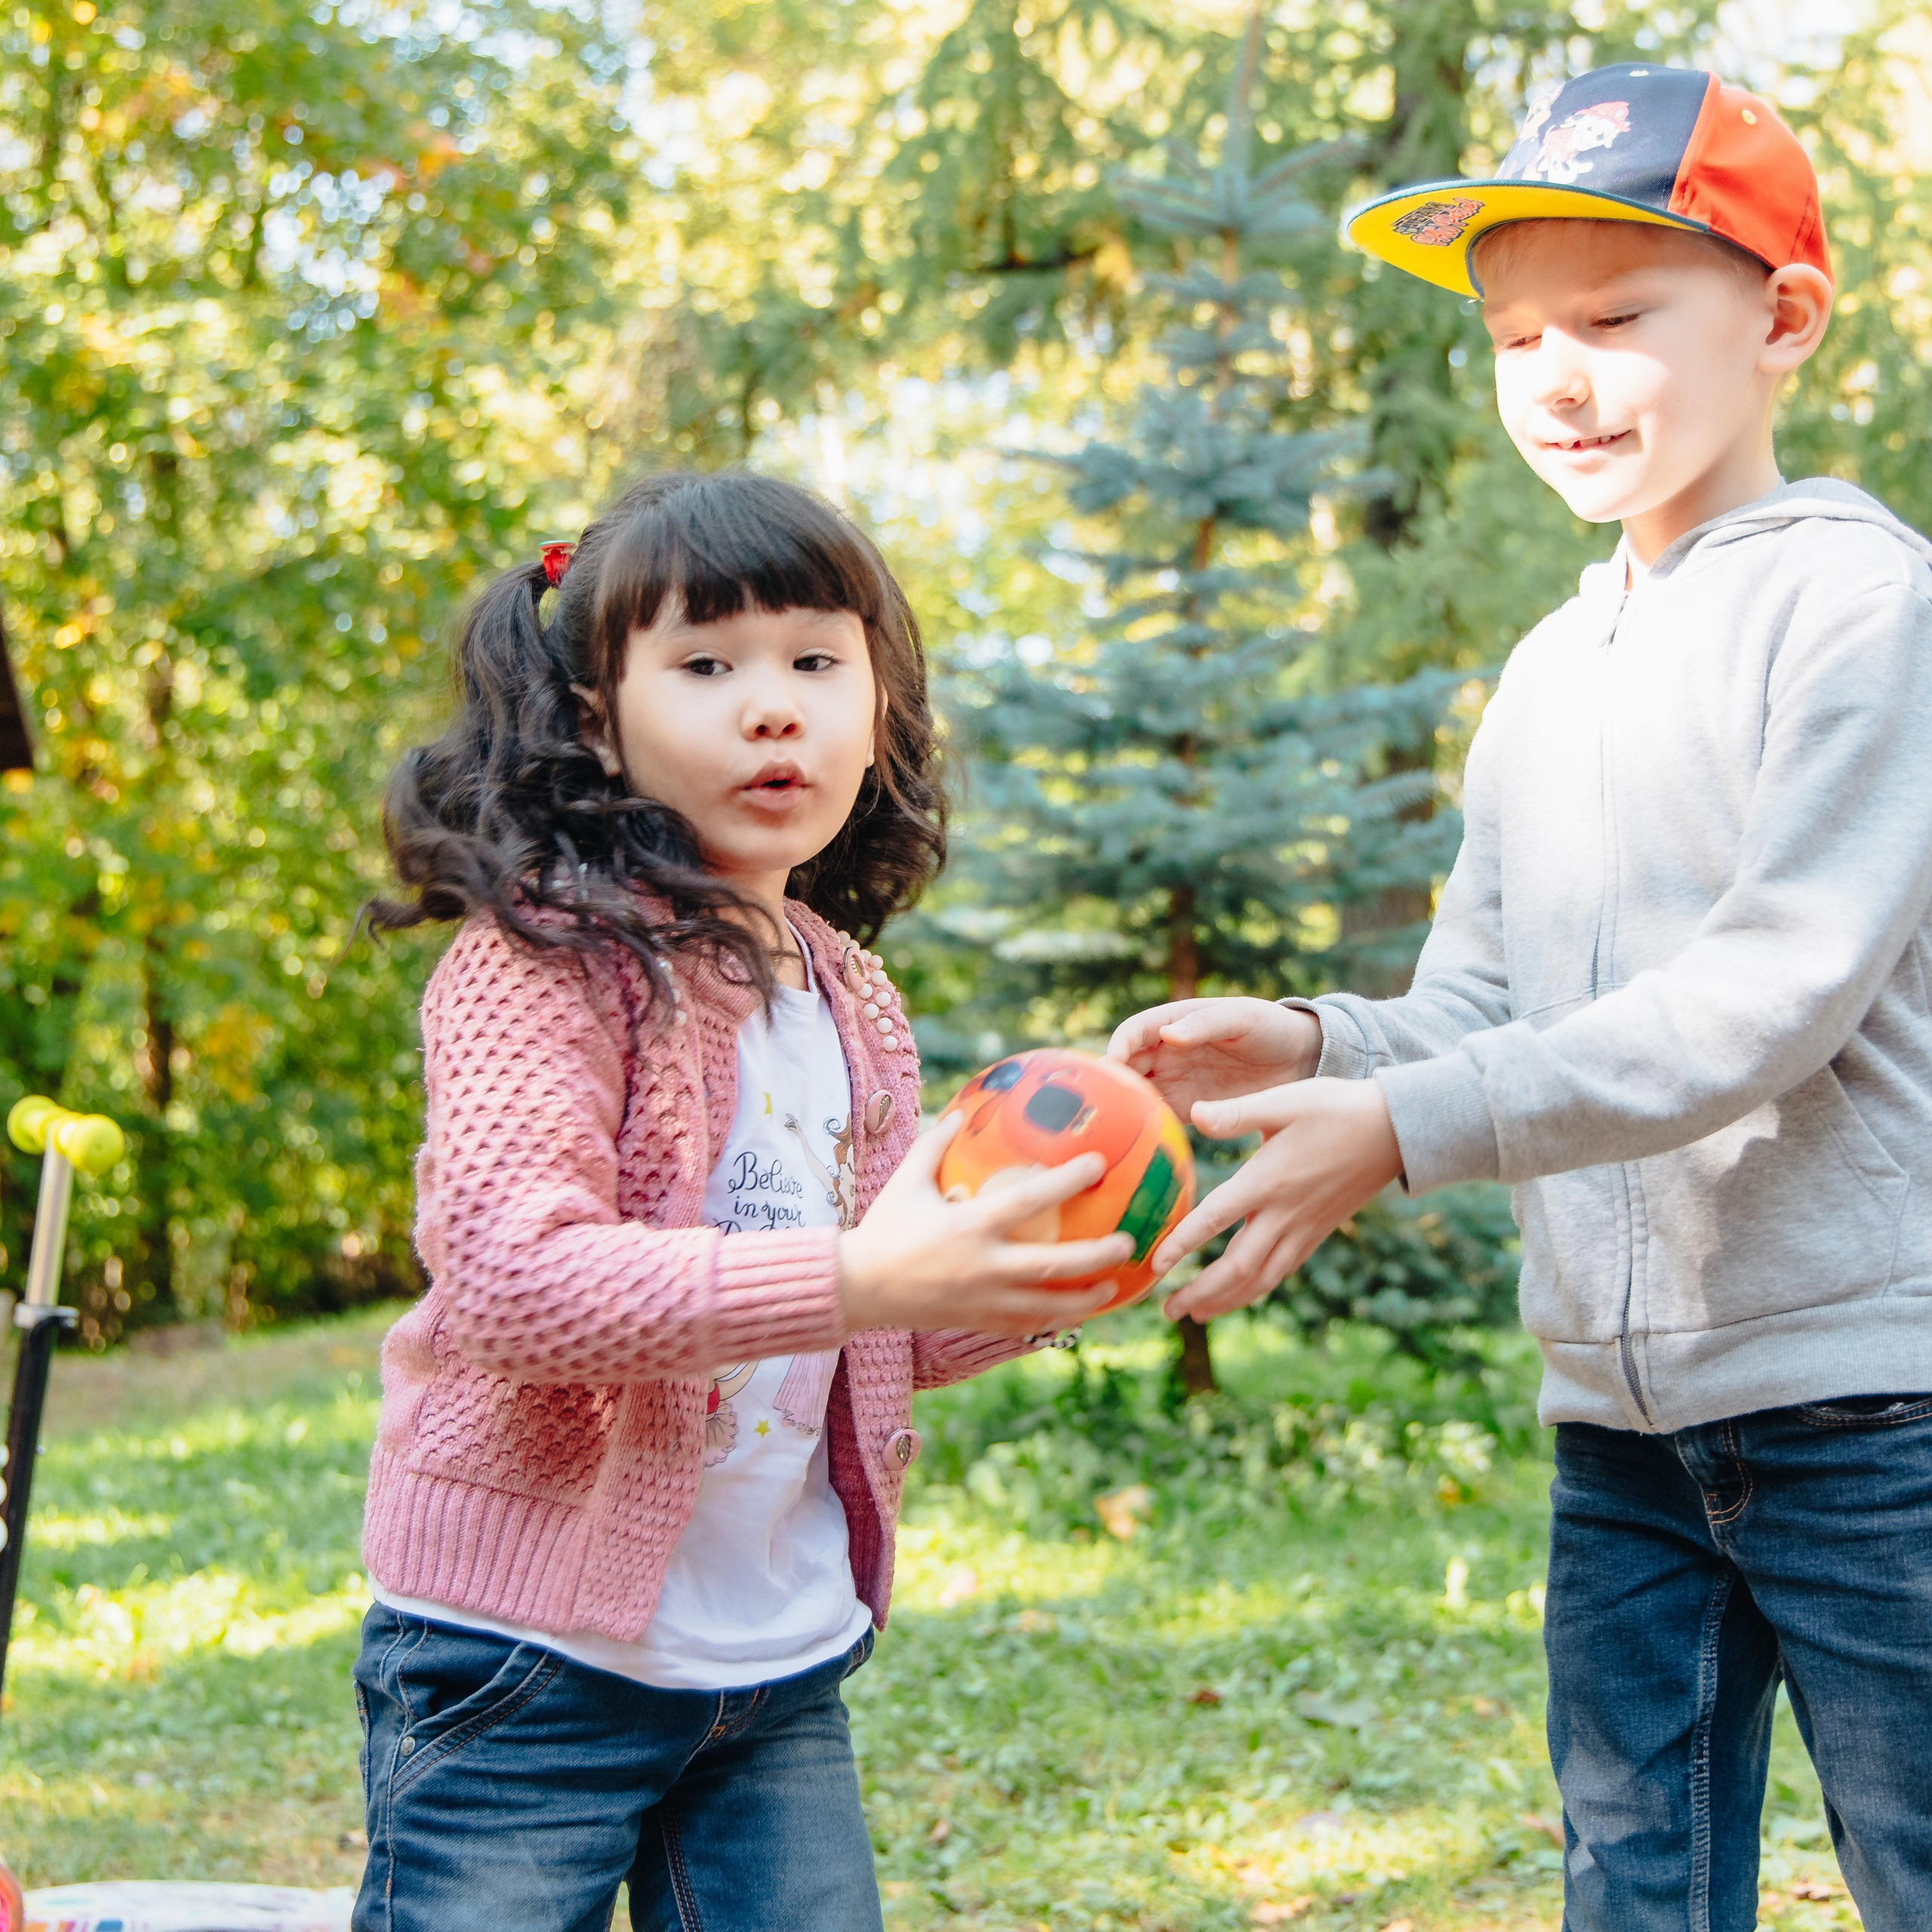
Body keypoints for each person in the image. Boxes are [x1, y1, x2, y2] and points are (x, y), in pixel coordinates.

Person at [1111, 63, 1932, 1932]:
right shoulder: (1548, 666)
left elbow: (1764, 994)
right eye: (1511, 336)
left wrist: (1396, 1128)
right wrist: (1324, 1044)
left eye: (1616, 319)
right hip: (1615, 1423)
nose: (1552, 376)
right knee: (1630, 1878)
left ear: (1780, 317)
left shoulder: (1860, 606)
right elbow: (1483, 995)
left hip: (1870, 1409)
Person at [353, 470, 1132, 1932]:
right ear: (598, 716)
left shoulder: (852, 995)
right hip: (523, 1659)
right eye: (705, 665)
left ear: (878, 709)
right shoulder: (540, 965)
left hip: (771, 1662)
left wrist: (1068, 1259)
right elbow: (516, 1285)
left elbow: (882, 1323)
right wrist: (862, 1277)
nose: (771, 706)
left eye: (814, 662)